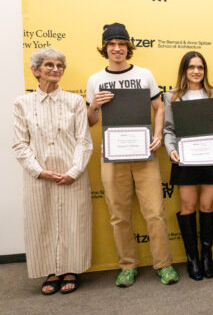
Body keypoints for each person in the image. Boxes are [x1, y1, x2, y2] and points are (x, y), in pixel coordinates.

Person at [86, 23, 178, 286]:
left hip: (144, 155)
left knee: (155, 213)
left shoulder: (144, 75)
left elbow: (159, 107)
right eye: (112, 44)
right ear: (105, 48)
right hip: (112, 157)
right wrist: (93, 106)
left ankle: (164, 265)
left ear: (128, 47)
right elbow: (90, 121)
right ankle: (127, 266)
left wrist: (158, 135)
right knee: (119, 215)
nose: (117, 48)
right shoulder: (96, 79)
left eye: (121, 44)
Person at [12, 48, 93, 295]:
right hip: (39, 177)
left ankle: (71, 269)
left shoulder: (75, 102)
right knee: (42, 222)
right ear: (35, 70)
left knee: (73, 223)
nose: (55, 69)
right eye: (49, 65)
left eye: (59, 65)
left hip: (73, 174)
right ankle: (50, 270)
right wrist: (39, 171)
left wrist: (74, 171)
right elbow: (19, 143)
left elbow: (84, 141)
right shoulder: (22, 104)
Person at [163, 51, 213, 280]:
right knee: (188, 207)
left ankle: (207, 256)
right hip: (185, 158)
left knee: (207, 206)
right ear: (184, 70)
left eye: (200, 67)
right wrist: (171, 150)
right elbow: (168, 129)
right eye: (191, 67)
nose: (196, 71)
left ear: (204, 70)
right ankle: (192, 259)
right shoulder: (172, 96)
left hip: (210, 157)